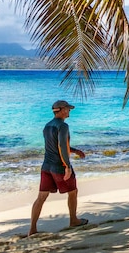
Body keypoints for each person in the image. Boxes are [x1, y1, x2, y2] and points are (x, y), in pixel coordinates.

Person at [29, 100, 87, 235]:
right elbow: (61, 146)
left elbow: (55, 146)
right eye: (68, 109)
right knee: (73, 192)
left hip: (46, 167)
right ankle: (73, 220)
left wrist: (75, 150)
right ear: (61, 110)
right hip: (59, 166)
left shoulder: (47, 126)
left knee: (41, 197)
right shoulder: (63, 126)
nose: (69, 111)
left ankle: (32, 229)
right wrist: (67, 166)